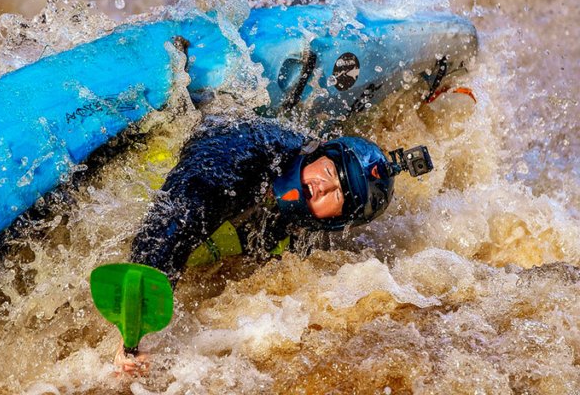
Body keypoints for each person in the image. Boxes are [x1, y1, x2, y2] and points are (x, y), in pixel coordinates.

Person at [114, 115, 432, 372]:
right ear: (319, 153)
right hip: (152, 176)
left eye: (337, 194)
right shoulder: (243, 155)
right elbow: (171, 222)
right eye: (329, 171)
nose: (320, 188)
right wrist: (132, 335)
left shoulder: (305, 233)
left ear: (333, 220)